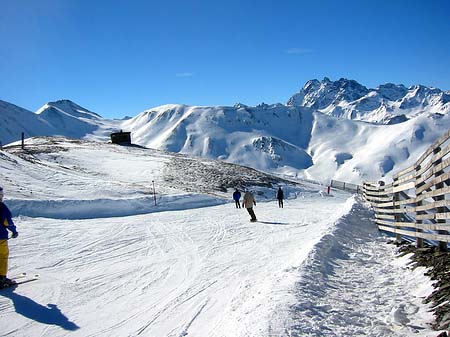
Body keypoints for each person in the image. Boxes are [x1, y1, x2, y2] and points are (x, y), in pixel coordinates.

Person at [0, 187, 19, 287]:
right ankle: (1, 278)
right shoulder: (2, 207)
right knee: (2, 256)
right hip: (1, 237)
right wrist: (14, 231)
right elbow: (7, 222)